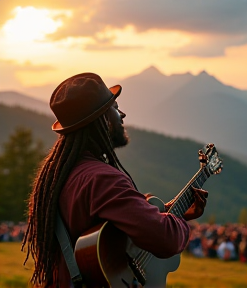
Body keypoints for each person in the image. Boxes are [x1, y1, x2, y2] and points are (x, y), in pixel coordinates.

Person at [21, 72, 208, 288]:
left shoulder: (56, 176)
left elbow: (109, 231)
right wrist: (180, 222)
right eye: (115, 108)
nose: (123, 114)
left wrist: (170, 210)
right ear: (103, 119)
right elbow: (166, 238)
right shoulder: (102, 179)